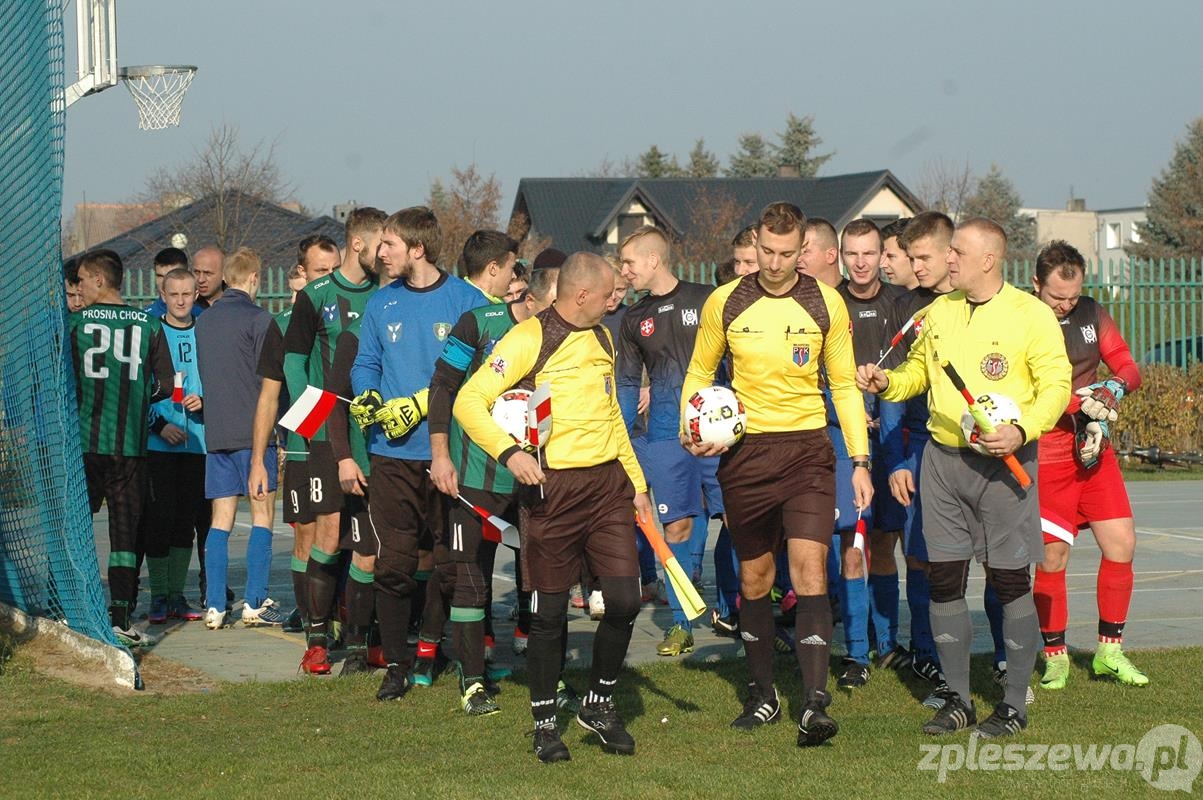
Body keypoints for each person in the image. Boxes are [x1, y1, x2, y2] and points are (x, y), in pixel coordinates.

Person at [857, 217, 1071, 738]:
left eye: (957, 251)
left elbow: (1057, 385)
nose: (948, 258)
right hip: (943, 461)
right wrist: (888, 382)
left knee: (1009, 580)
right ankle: (958, 699)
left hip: (1005, 465)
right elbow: (918, 379)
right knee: (944, 579)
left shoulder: (1030, 314)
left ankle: (1014, 703)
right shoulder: (937, 312)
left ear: (988, 260)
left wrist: (1023, 430)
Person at [682, 202, 872, 747]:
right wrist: (688, 425)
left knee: (811, 569)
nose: (774, 262)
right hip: (744, 456)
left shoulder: (825, 301)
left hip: (809, 453)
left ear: (804, 251)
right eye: (767, 250)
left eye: (787, 254)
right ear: (757, 242)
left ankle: (814, 703)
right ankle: (762, 694)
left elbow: (842, 387)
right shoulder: (726, 300)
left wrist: (858, 460)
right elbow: (700, 370)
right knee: (755, 580)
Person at [454, 252, 652, 763]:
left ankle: (599, 703)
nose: (618, 299)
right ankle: (545, 724)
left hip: (608, 486)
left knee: (626, 601)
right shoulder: (528, 338)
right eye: (610, 293)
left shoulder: (606, 336)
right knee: (549, 613)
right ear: (582, 295)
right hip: (553, 491)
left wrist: (638, 484)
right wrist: (511, 454)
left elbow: (612, 415)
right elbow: (468, 401)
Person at [349, 206, 484, 703]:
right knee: (394, 564)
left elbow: (485, 375)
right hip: (390, 455)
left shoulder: (467, 301)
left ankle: (433, 649)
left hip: (450, 454)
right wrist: (367, 394)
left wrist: (423, 404)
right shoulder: (381, 304)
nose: (378, 253)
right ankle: (397, 665)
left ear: (417, 249)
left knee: (450, 564)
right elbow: (365, 363)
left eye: (388, 245)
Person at [248, 225, 385, 672]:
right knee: (315, 533)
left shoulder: (386, 295)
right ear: (301, 274)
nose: (323, 274)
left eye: (329, 266)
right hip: (316, 440)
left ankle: (363, 640)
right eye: (317, 268)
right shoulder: (296, 314)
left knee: (368, 543)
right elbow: (273, 390)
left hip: (373, 439)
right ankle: (316, 631)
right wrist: (270, 451)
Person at [429, 256, 561, 716]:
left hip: (539, 479)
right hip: (475, 477)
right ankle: (473, 683)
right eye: (553, 305)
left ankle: (550, 678)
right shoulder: (479, 324)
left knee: (545, 578)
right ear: (530, 297)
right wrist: (441, 454)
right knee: (471, 578)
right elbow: (443, 386)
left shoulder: (568, 339)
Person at [1029, 240, 1148, 689]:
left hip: (1094, 449)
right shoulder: (1022, 319)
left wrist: (1114, 387)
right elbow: (1023, 394)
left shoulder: (1092, 313)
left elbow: (1128, 365)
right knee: (1053, 558)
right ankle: (1056, 655)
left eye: (1073, 296)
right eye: (1057, 296)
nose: (1066, 304)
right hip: (1048, 453)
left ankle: (1108, 652)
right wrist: (1076, 406)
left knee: (1122, 543)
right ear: (1036, 284)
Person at [409, 229, 515, 687]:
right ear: (495, 268)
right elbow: (442, 383)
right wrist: (440, 454)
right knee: (454, 566)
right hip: (462, 465)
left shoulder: (531, 325)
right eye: (513, 269)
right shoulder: (468, 312)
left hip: (510, 470)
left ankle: (468, 654)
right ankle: (432, 655)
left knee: (475, 565)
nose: (517, 279)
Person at [616, 225, 721, 658]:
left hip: (718, 431)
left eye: (628, 262)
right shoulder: (632, 317)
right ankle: (682, 624)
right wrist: (620, 440)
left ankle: (743, 613)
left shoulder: (708, 299)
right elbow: (625, 383)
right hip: (664, 435)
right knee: (675, 525)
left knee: (736, 522)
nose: (623, 272)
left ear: (653, 260)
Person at [69, 249, 174, 647]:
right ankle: (119, 616)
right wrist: (136, 397)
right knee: (124, 534)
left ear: (99, 279)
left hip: (85, 443)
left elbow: (65, 378)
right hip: (131, 447)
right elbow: (163, 384)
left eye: (81, 279)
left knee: (76, 527)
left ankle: (71, 606)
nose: (77, 288)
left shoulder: (76, 323)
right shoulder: (148, 325)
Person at [879, 211, 955, 694]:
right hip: (921, 447)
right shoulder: (905, 308)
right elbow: (894, 389)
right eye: (910, 256)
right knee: (924, 559)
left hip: (975, 449)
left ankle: (1005, 662)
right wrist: (897, 461)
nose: (913, 264)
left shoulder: (981, 305)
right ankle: (929, 654)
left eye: (919, 256)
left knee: (992, 561)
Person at [832, 219, 910, 687]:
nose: (860, 263)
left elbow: (913, 369)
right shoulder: (829, 304)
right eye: (852, 253)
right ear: (841, 255)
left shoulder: (898, 305)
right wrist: (848, 414)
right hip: (845, 441)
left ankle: (888, 645)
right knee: (851, 547)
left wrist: (888, 411)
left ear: (882, 255)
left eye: (869, 253)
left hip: (890, 438)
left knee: (884, 546)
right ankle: (855, 652)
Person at [195, 247, 285, 629]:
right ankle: (255, 600)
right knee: (262, 513)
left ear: (226, 278)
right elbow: (270, 385)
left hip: (216, 433)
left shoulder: (204, 322)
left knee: (221, 519)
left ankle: (214, 605)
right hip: (254, 434)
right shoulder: (262, 320)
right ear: (254, 279)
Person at [142, 268, 207, 624]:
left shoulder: (205, 332)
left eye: (187, 294)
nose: (181, 301)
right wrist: (160, 423)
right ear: (163, 295)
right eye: (174, 294)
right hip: (160, 444)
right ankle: (158, 596)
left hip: (196, 444)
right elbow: (139, 388)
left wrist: (205, 402)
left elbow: (217, 379)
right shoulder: (152, 333)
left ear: (196, 294)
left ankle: (178, 595)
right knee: (158, 520)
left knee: (185, 521)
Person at [144, 247, 192, 318]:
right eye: (160, 276)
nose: (164, 282)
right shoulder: (145, 319)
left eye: (171, 276)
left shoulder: (203, 316)